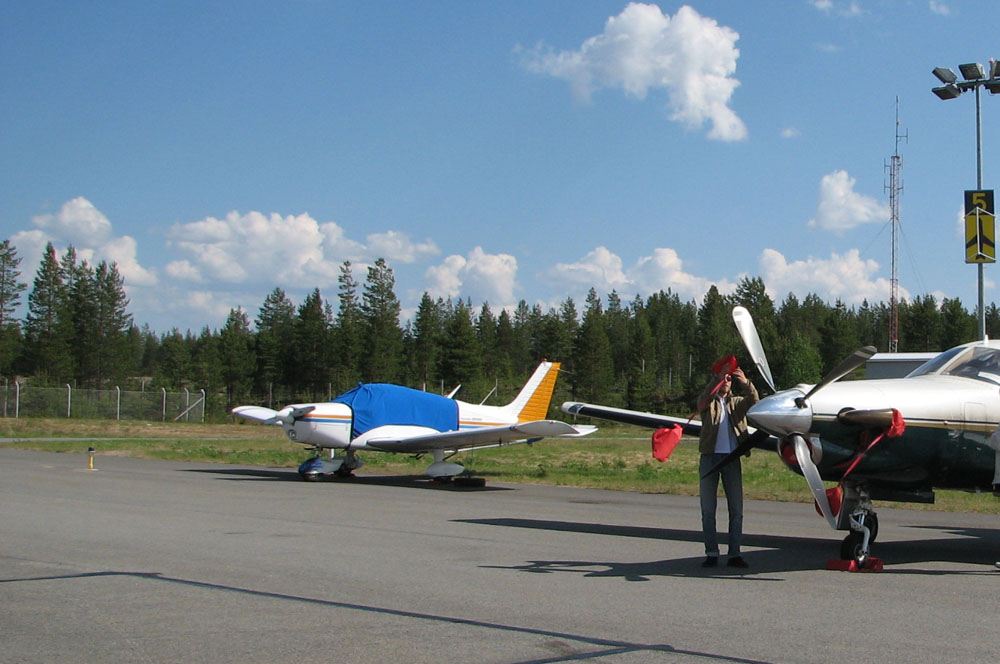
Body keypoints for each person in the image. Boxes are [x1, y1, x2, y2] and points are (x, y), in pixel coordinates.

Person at [697, 364, 759, 569]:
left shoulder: (737, 403)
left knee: (736, 510)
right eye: (723, 378)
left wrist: (746, 382)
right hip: (709, 459)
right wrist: (717, 378)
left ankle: (734, 554)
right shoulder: (707, 402)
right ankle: (711, 553)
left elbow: (754, 401)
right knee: (708, 510)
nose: (726, 381)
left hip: (732, 459)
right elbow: (703, 400)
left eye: (729, 378)